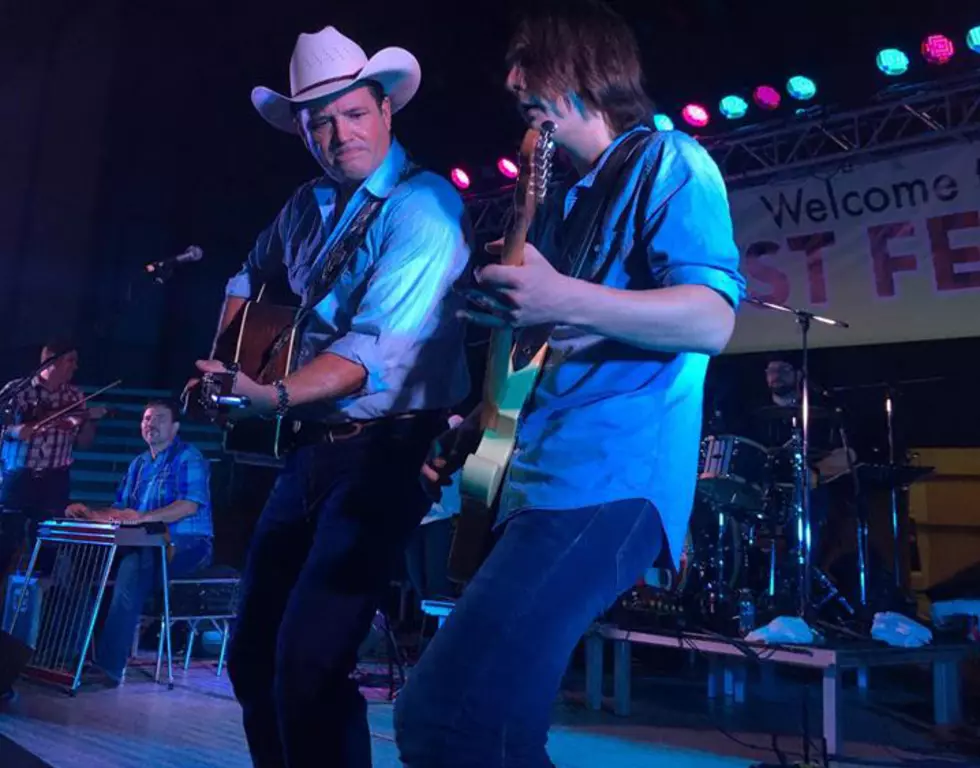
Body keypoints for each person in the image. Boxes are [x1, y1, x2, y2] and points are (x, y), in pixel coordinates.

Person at [394, 2, 744, 765]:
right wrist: (477, 422)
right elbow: (554, 343)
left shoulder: (673, 163)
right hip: (537, 481)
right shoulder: (563, 201)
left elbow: (713, 320)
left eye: (531, 62)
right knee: (501, 732)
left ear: (587, 65)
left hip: (612, 481)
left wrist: (562, 299)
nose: (513, 81)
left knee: (438, 718)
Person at [193, 25, 470, 768]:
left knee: (309, 664)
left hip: (389, 451)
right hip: (311, 447)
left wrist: (269, 392)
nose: (335, 132)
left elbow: (372, 353)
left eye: (351, 113)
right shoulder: (306, 204)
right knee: (252, 656)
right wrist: (229, 362)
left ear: (386, 111)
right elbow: (248, 277)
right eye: (318, 121)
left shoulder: (426, 208)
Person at [65, 400, 213, 684]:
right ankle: (71, 654)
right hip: (140, 541)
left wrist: (143, 517)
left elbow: (189, 506)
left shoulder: (188, 457)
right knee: (77, 561)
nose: (150, 424)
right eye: (146, 419)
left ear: (175, 427)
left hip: (188, 544)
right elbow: (120, 509)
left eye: (158, 418)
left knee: (133, 568)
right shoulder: (139, 463)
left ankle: (109, 667)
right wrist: (91, 514)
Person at [0, 341, 106, 578]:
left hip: (54, 479)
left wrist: (89, 419)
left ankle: (37, 601)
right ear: (52, 362)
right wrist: (17, 431)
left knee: (47, 545)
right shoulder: (18, 390)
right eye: (71, 361)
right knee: (5, 541)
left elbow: (85, 443)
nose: (75, 367)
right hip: (18, 474)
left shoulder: (74, 396)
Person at [405, 414, 464, 603]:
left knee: (438, 582)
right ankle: (426, 626)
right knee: (417, 580)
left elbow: (450, 462)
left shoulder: (455, 425)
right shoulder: (409, 427)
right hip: (412, 515)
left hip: (442, 514)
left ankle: (437, 629)